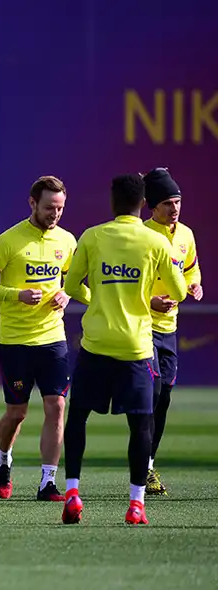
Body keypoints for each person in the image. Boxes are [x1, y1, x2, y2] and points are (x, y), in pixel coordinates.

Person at [61, 174, 187, 526]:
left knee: (78, 418)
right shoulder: (157, 241)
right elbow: (177, 292)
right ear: (144, 203)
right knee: (141, 425)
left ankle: (72, 492)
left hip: (96, 344)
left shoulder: (92, 236)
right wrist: (148, 295)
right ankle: (135, 504)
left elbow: (71, 285)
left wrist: (100, 298)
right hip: (136, 346)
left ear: (112, 202)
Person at [0, 176, 89, 502]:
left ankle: (47, 483)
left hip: (53, 339)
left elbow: (74, 279)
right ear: (32, 204)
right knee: (17, 413)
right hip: (16, 341)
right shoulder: (9, 241)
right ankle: (3, 459)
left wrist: (67, 295)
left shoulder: (68, 240)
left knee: (57, 405)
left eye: (61, 208)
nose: (55, 213)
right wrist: (16, 295)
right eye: (49, 207)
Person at [142, 168, 203, 496]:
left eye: (177, 201)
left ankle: (148, 461)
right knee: (151, 395)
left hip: (170, 330)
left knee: (163, 398)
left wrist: (196, 286)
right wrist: (150, 300)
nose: (174, 208)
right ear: (152, 206)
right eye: (167, 203)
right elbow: (127, 283)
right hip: (143, 327)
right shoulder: (141, 235)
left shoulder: (186, 236)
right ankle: (144, 468)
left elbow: (192, 270)